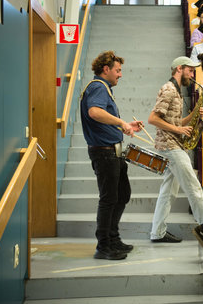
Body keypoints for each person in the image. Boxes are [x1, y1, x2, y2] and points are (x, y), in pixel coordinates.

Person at [80, 51, 144, 260]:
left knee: (122, 195)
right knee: (109, 199)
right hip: (104, 154)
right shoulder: (98, 86)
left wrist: (125, 126)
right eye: (118, 71)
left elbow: (101, 117)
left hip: (112, 152)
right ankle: (104, 245)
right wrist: (120, 123)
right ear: (105, 70)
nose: (120, 75)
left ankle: (113, 238)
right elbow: (94, 112)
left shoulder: (102, 87)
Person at [148, 56, 203, 250]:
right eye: (190, 71)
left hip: (172, 144)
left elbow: (175, 122)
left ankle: (157, 232)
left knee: (167, 192)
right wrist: (178, 131)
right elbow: (153, 118)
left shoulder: (176, 91)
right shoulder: (168, 90)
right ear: (179, 69)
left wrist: (193, 116)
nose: (192, 75)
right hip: (170, 146)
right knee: (194, 188)